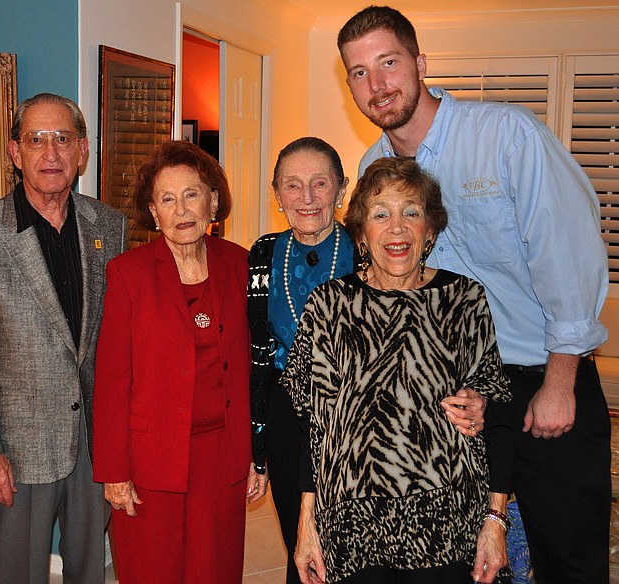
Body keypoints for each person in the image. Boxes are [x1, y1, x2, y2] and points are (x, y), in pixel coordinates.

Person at [338, 7, 610, 583]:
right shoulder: (372, 170)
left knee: (565, 553)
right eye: (359, 73)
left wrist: (560, 382)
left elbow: (569, 253)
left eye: (389, 63)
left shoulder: (506, 135)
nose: (378, 85)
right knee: (468, 562)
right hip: (449, 398)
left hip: (538, 376)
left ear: (421, 64)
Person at [247, 137, 487, 584]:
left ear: (341, 192)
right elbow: (254, 351)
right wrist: (256, 441)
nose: (307, 196)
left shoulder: (372, 244)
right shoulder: (261, 253)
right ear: (276, 193)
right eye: (293, 185)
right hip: (293, 408)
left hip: (367, 419)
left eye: (320, 183)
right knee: (304, 539)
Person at [0, 93, 127, 584]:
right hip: (16, 449)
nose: (51, 153)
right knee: (17, 574)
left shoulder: (109, 225)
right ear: (14, 152)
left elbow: (117, 339)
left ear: (82, 150)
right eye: (36, 139)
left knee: (89, 570)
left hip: (93, 444)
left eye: (63, 139)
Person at [93, 140, 268, 583]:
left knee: (216, 570)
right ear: (153, 213)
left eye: (191, 194)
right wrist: (114, 472)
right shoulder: (127, 274)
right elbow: (112, 380)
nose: (182, 209)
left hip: (222, 456)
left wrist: (256, 454)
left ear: (212, 200)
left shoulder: (242, 265)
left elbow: (255, 370)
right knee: (153, 570)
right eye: (167, 199)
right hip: (151, 458)